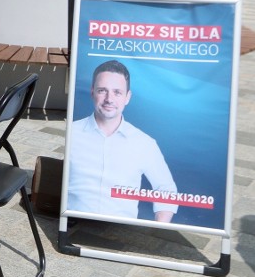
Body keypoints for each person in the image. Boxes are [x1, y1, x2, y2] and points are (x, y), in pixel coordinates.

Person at [67, 60, 178, 222]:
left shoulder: (144, 143)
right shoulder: (71, 133)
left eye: (117, 92)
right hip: (72, 227)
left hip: (121, 235)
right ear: (92, 92)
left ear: (127, 97)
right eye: (102, 90)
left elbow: (166, 190)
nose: (109, 99)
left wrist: (157, 231)